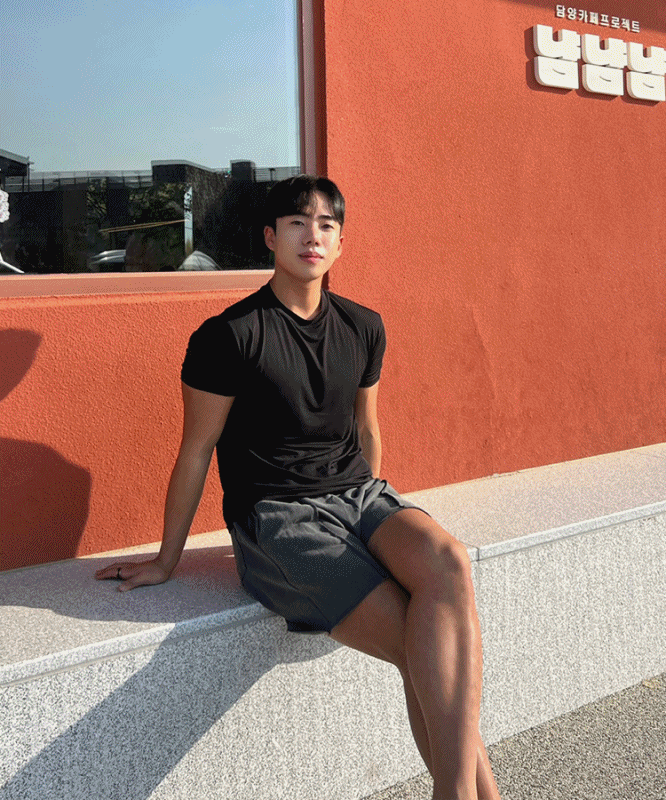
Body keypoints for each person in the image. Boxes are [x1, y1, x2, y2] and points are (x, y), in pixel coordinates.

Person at [95, 175, 501, 800]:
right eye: (297, 223)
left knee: (448, 560)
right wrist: (166, 560)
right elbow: (196, 451)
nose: (312, 235)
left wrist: (378, 530)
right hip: (277, 516)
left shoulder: (364, 326)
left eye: (326, 225)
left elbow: (366, 430)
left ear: (340, 243)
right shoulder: (228, 336)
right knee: (427, 649)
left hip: (359, 498)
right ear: (270, 237)